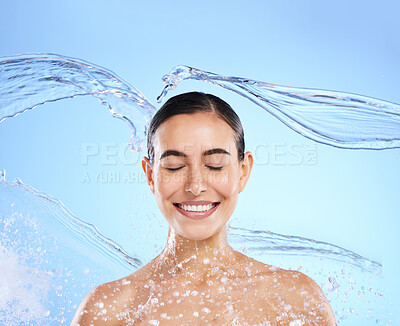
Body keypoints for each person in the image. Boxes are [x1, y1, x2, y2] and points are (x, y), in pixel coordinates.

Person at [71, 92, 336, 325]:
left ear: (243, 172)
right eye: (174, 166)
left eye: (215, 165)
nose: (195, 186)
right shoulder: (108, 310)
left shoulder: (294, 298)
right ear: (150, 176)